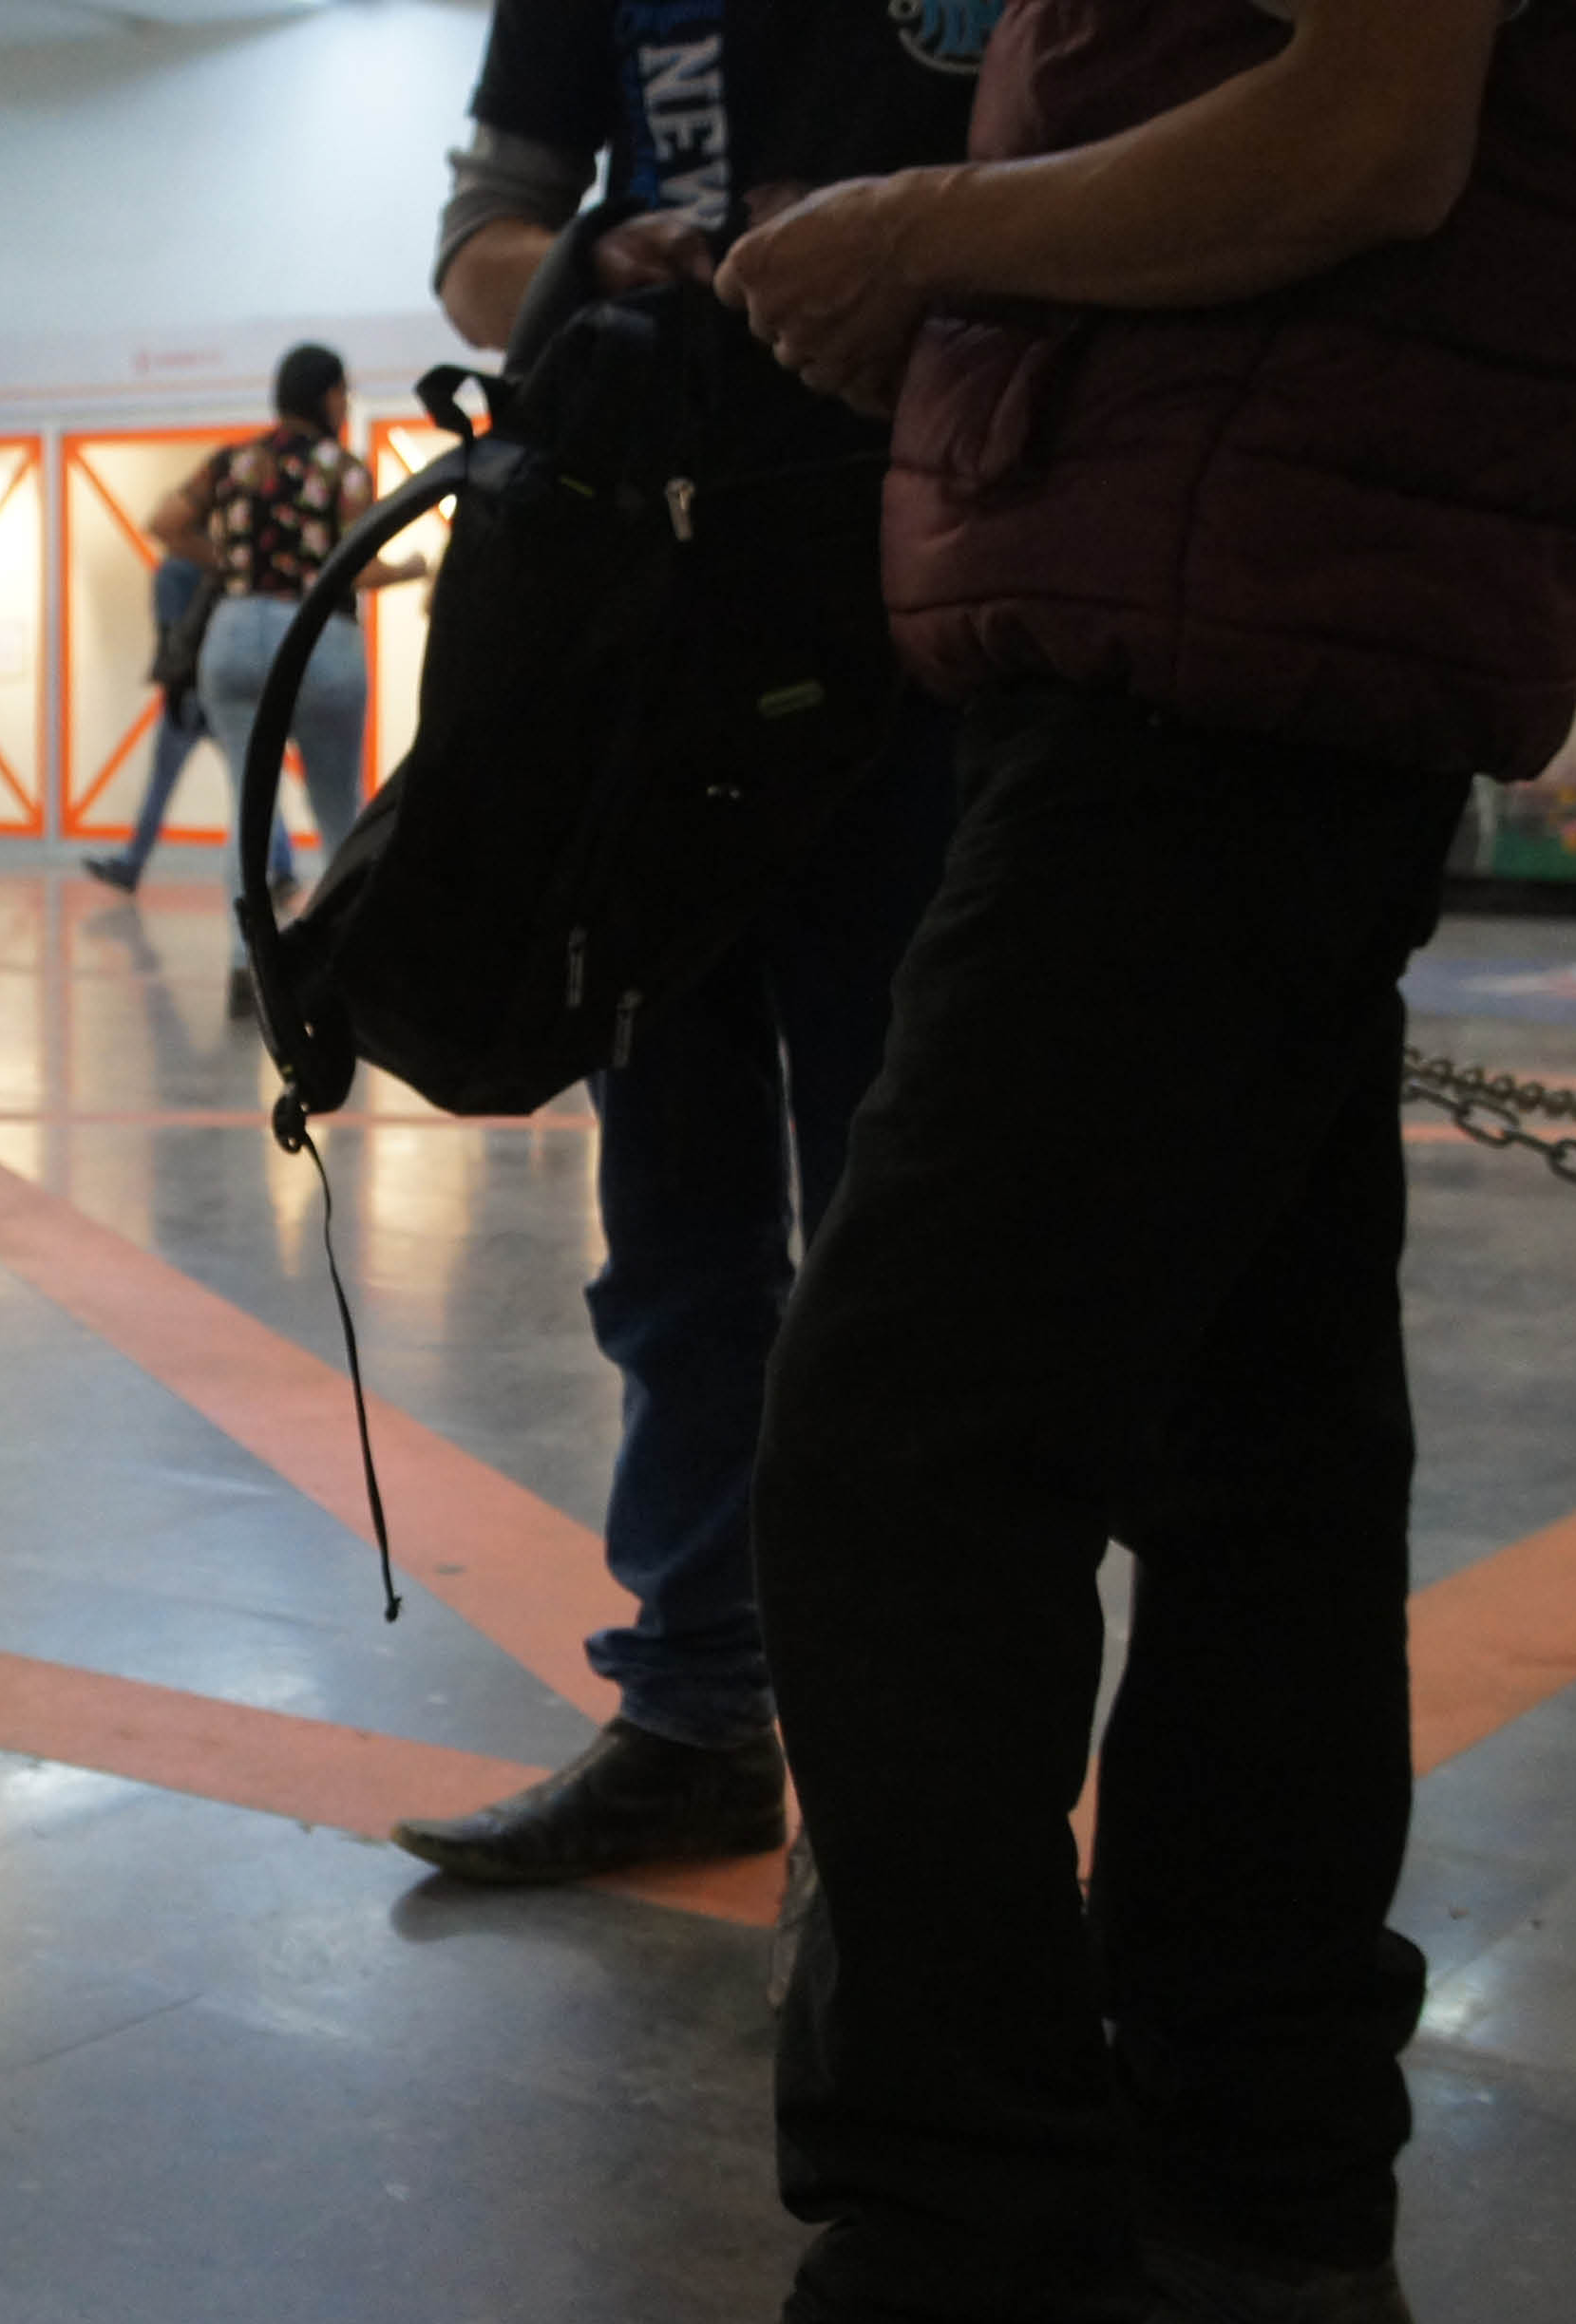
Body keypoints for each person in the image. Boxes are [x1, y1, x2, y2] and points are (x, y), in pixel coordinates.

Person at [579, 0, 1576, 2324]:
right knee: (1259, 1450)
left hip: (1220, 592)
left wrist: (926, 233)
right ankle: (1258, 2162)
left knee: (888, 1450)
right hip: (1263, 570)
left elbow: (1358, 124)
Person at [387, 0, 979, 1901]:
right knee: (678, 1227)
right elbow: (485, 250)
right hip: (657, 635)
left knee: (917, 1235)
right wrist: (587, 259)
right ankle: (699, 1710)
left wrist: (929, 237)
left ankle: (921, 1765)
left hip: (935, 614)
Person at [149, 345, 424, 1016]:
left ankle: (248, 966)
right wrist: (414, 567)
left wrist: (233, 564)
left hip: (234, 635)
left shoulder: (235, 461)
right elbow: (357, 569)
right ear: (327, 397)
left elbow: (164, 524)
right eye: (343, 395)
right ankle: (344, 962)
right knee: (338, 809)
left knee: (249, 808)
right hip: (318, 635)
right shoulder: (343, 470)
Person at [81, 549, 295, 901]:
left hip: (191, 693)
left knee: (164, 784)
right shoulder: (225, 570)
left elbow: (173, 637)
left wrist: (176, 689)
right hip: (222, 689)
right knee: (252, 785)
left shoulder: (173, 572)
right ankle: (283, 867)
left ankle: (131, 864)